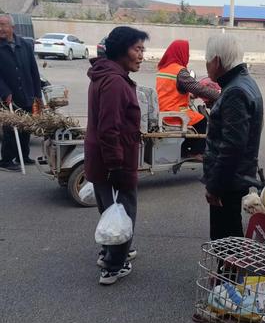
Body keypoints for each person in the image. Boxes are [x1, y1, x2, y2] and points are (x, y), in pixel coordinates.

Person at [84, 26, 148, 285]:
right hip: (114, 160)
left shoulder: (106, 74)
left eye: (143, 49)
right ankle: (113, 266)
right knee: (123, 209)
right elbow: (109, 128)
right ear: (122, 50)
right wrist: (116, 166)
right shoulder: (114, 82)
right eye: (137, 49)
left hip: (105, 158)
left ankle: (113, 250)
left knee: (111, 209)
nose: (142, 55)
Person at [202, 34, 264, 241]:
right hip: (236, 176)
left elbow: (231, 146)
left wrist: (214, 186)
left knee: (225, 236)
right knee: (229, 231)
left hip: (228, 180)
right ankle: (229, 272)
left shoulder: (235, 91)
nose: (206, 65)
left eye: (207, 60)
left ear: (217, 61)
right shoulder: (243, 82)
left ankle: (228, 273)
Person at [156, 40, 220, 157]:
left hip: (163, 110)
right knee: (202, 120)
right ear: (180, 52)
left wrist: (189, 95)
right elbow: (198, 88)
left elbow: (170, 90)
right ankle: (196, 152)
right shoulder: (180, 71)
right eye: (187, 52)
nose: (188, 56)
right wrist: (218, 95)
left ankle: (184, 150)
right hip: (175, 112)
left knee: (196, 119)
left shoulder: (163, 69)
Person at [0, 14, 42, 171]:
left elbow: (34, 71)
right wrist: (4, 91)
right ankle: (6, 160)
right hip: (7, 96)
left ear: (12, 27)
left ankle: (23, 156)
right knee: (11, 128)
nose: (0, 29)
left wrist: (37, 94)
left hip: (27, 93)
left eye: (3, 25)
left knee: (26, 126)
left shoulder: (24, 45)